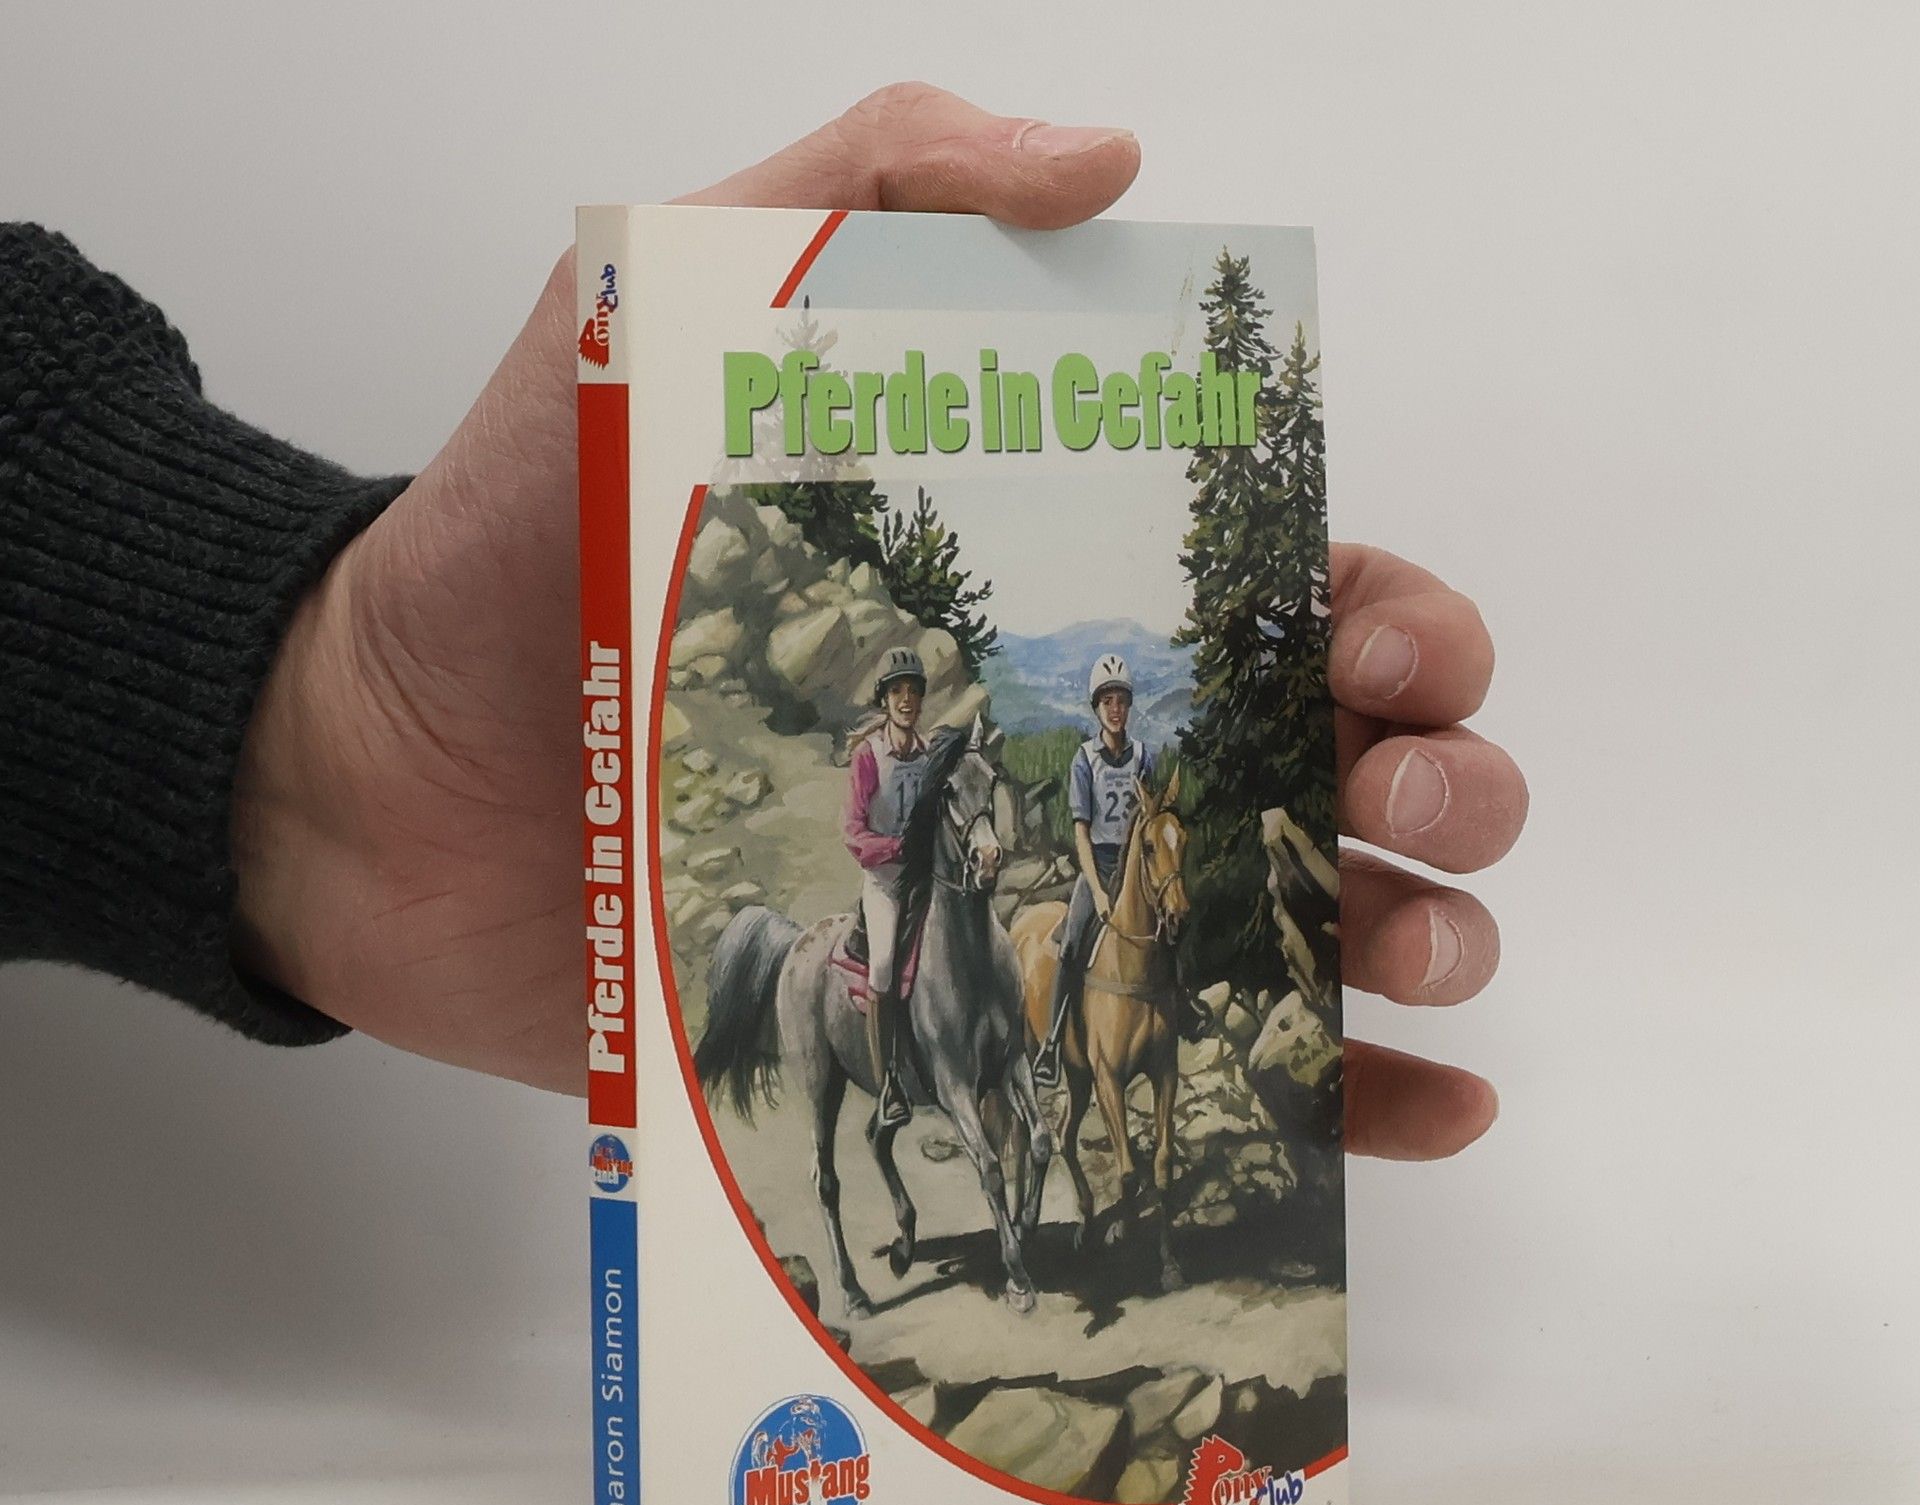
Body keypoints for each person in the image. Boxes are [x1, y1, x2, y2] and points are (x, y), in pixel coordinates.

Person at [0, 83, 1528, 1162]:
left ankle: (1066, 1072)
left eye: (1119, 709)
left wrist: (323, 705)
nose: (917, 714)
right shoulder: (893, 759)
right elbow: (910, 829)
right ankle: (918, 1077)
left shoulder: (1072, 757)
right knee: (925, 947)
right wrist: (931, 852)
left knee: (1091, 943)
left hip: (1062, 865)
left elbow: (1043, 812)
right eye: (909, 702)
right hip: (902, 881)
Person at [1033, 653, 1153, 1087]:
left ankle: (1184, 1007)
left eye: (1121, 701)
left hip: (1135, 867)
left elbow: (1150, 820)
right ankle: (1052, 1043)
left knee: (1169, 924)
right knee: (1071, 944)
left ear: (1129, 705)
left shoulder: (1144, 756)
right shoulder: (1085, 760)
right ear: (1096, 708)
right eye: (1107, 702)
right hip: (1098, 866)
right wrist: (1099, 893)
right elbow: (1081, 833)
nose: (1115, 709)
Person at [843, 646, 931, 1129]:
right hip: (885, 883)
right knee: (881, 966)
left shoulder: (930, 752)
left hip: (928, 878)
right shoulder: (868, 757)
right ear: (884, 700)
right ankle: (888, 1084)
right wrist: (896, 847)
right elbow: (853, 833)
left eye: (913, 691)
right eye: (897, 691)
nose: (906, 699)